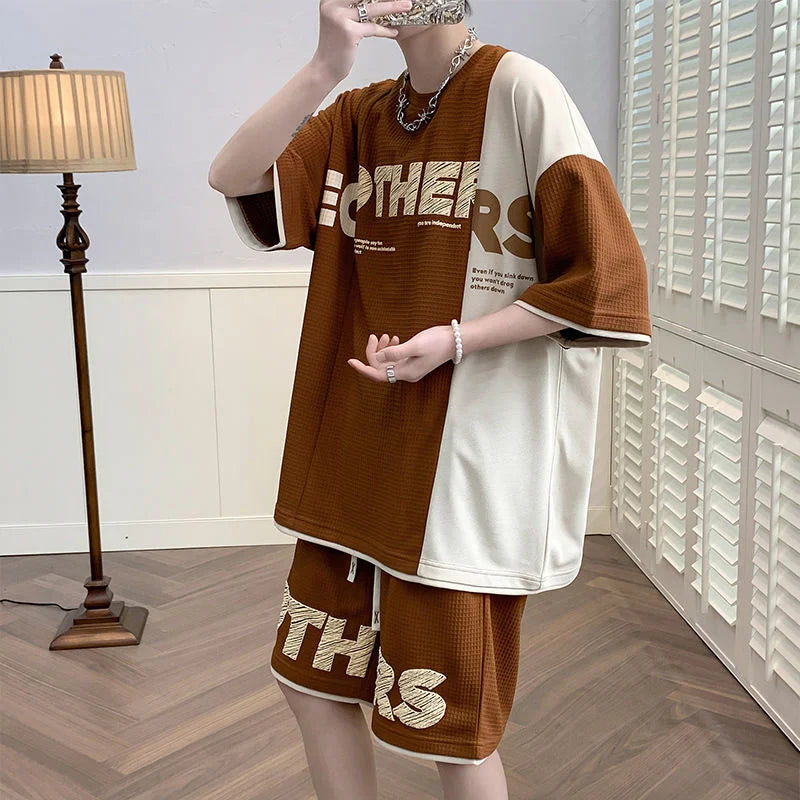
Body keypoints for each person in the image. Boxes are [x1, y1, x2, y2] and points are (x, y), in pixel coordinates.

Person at [209, 1, 651, 798]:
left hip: (461, 471)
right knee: (310, 684)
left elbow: (604, 278)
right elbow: (232, 177)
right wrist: (325, 65)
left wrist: (454, 341)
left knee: (451, 729)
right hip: (358, 455)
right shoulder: (359, 112)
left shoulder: (520, 90)